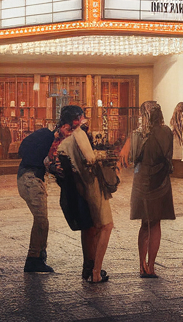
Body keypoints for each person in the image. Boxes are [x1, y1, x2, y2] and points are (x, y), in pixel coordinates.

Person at [58, 106, 114, 283]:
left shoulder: (63, 141)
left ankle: (88, 268)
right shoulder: (78, 135)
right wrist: (104, 155)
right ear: (78, 118)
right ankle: (96, 272)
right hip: (93, 185)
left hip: (80, 187)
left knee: (90, 228)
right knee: (106, 226)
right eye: (82, 117)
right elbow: (89, 158)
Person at [128, 100, 174, 278]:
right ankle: (152, 266)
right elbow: (168, 156)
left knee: (144, 225)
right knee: (155, 224)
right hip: (160, 181)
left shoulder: (137, 134)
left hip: (141, 181)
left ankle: (141, 266)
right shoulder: (166, 132)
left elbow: (133, 158)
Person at [16, 116, 55, 273]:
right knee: (41, 220)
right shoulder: (47, 136)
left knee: (42, 220)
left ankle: (38, 256)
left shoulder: (45, 136)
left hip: (31, 177)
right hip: (30, 179)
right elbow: (24, 149)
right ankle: (34, 259)